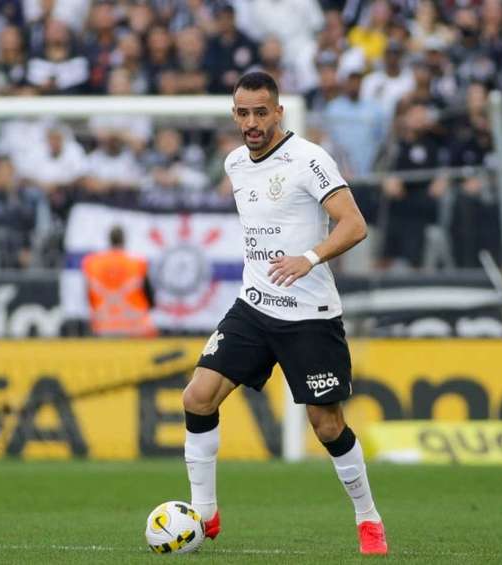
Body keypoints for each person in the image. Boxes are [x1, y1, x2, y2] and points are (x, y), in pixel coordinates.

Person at [182, 71, 387, 555]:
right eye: (243, 113)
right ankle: (204, 515)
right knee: (197, 397)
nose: (251, 122)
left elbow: (355, 225)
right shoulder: (235, 162)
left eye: (260, 112)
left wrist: (309, 258)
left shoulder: (309, 159)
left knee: (327, 427)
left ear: (279, 112)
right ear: (234, 115)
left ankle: (368, 517)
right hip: (253, 307)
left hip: (310, 314)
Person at [81, 225, 156, 337]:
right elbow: (149, 295)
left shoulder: (92, 263)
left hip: (103, 325)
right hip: (136, 326)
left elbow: (88, 295)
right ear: (124, 240)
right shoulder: (137, 263)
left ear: (109, 240)